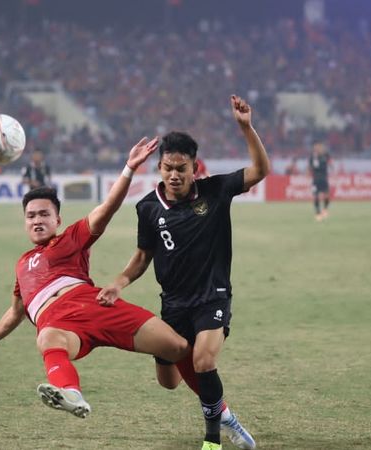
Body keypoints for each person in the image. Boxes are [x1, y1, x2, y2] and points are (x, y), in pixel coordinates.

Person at [98, 95, 270, 450]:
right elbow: (143, 256)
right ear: (159, 168)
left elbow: (260, 171)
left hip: (212, 297)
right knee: (169, 381)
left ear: (196, 167)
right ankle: (223, 412)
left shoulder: (216, 191)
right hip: (173, 305)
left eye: (182, 168)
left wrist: (246, 128)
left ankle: (213, 440)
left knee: (203, 360)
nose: (174, 175)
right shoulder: (147, 208)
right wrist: (118, 281)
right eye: (167, 168)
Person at [0, 137, 189, 420]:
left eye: (43, 214)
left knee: (179, 348)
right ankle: (71, 393)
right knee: (48, 338)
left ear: (57, 220)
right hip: (57, 322)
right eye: (30, 216)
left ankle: (218, 410)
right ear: (25, 222)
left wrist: (128, 169)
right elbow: (17, 309)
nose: (37, 220)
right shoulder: (22, 263)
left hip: (94, 304)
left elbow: (106, 209)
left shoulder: (70, 239)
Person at [308, 139, 331, 221]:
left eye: (319, 146)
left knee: (327, 195)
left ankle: (325, 209)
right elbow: (310, 167)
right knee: (316, 196)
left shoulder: (326, 155)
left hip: (324, 178)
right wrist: (308, 173)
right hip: (316, 179)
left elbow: (330, 163)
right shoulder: (312, 156)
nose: (317, 147)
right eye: (316, 146)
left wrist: (331, 166)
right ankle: (318, 213)